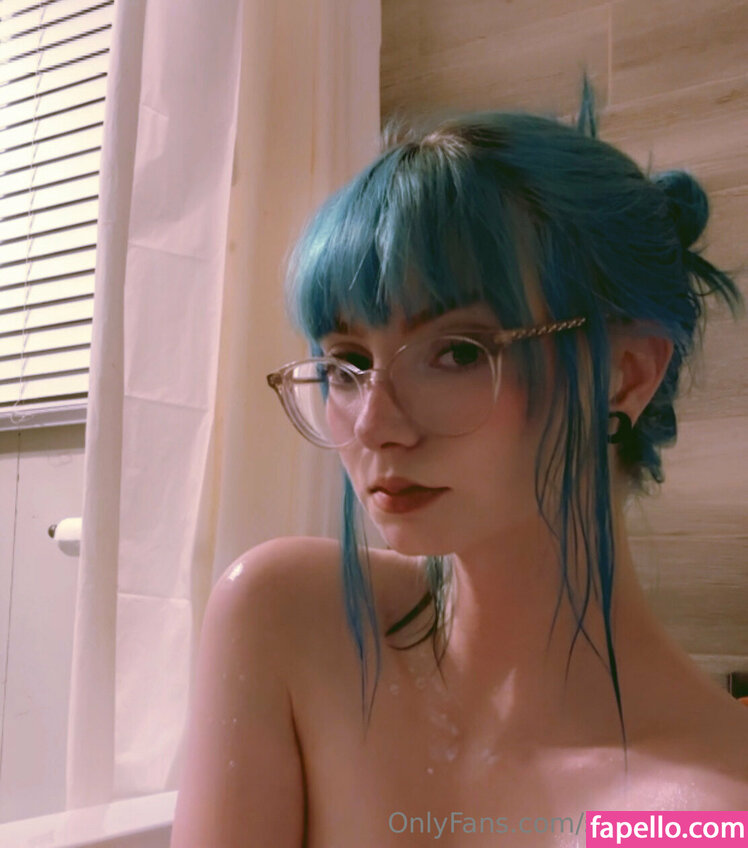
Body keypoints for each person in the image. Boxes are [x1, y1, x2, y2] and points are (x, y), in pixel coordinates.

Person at [170, 80, 748, 848]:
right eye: (348, 363)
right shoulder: (289, 623)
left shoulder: (700, 814)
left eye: (458, 352)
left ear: (624, 375)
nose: (374, 425)